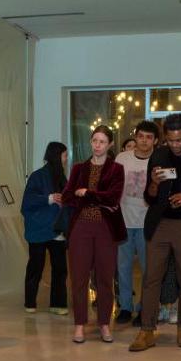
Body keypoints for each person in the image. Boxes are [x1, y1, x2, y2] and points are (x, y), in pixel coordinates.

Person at [130, 112, 181, 352]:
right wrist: (155, 183)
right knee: (151, 278)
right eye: (170, 140)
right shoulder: (158, 155)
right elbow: (149, 196)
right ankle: (146, 331)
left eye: (179, 140)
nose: (175, 145)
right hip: (159, 224)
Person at [62, 125, 125, 344]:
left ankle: (104, 324)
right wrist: (97, 198)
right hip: (80, 228)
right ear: (90, 142)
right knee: (79, 279)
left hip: (106, 230)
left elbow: (113, 198)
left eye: (102, 142)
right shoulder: (79, 168)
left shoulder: (116, 169)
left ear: (110, 145)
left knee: (105, 279)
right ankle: (79, 325)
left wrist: (87, 193)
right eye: (94, 141)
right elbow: (68, 197)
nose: (97, 145)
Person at [115, 121, 158, 324]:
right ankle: (125, 307)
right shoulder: (122, 158)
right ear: (136, 136)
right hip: (123, 220)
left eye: (149, 137)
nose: (144, 140)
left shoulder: (160, 160)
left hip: (147, 224)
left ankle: (144, 309)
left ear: (155, 141)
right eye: (141, 136)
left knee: (148, 269)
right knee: (123, 267)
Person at [21, 141, 70, 316]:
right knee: (36, 266)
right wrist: (49, 198)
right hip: (39, 230)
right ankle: (30, 302)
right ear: (57, 156)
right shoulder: (37, 176)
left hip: (57, 230)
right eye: (64, 155)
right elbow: (26, 202)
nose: (66, 159)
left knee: (60, 268)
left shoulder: (62, 177)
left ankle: (58, 304)